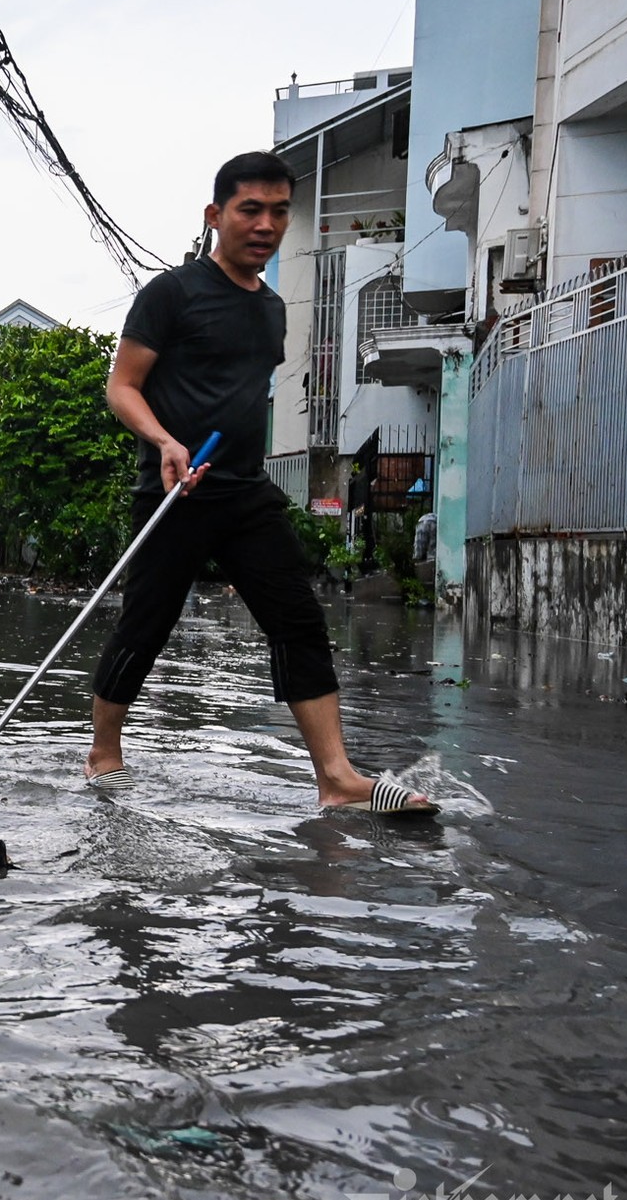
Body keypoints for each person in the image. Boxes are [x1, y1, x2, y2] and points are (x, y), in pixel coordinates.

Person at [84, 151, 436, 815]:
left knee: (297, 619)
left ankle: (335, 778)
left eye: (280, 211)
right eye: (251, 209)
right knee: (146, 624)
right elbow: (122, 386)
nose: (267, 224)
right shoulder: (172, 294)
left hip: (244, 490)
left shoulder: (272, 309)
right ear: (216, 216)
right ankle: (104, 752)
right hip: (175, 491)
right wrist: (163, 440)